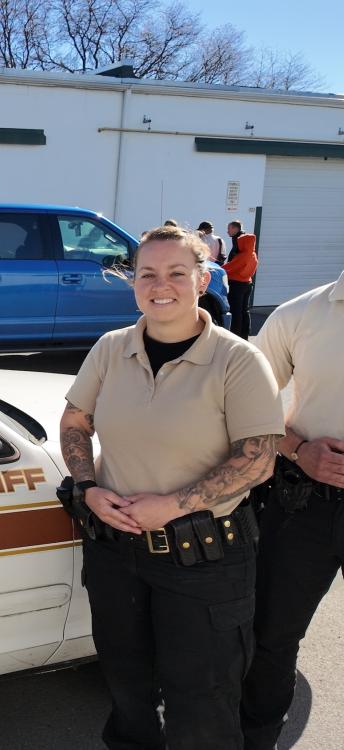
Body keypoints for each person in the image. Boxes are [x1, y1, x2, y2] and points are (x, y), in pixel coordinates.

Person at [59, 225, 283, 749]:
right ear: (133, 283)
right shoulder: (112, 349)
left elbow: (259, 460)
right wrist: (88, 486)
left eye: (177, 273)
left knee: (202, 704)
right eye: (148, 274)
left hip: (205, 560)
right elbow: (75, 419)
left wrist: (175, 505)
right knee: (127, 691)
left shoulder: (238, 360)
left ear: (203, 280)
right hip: (116, 553)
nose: (162, 285)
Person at [240, 269, 344, 750]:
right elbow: (244, 408)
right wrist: (300, 449)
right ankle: (257, 739)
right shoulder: (299, 316)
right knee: (271, 636)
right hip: (305, 503)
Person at [224, 220, 258, 339]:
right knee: (245, 310)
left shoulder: (242, 255)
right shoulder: (252, 254)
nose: (238, 243)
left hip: (237, 285)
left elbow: (230, 267)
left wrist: (217, 268)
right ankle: (244, 335)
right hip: (248, 283)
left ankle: (236, 335)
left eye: (240, 241)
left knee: (236, 311)